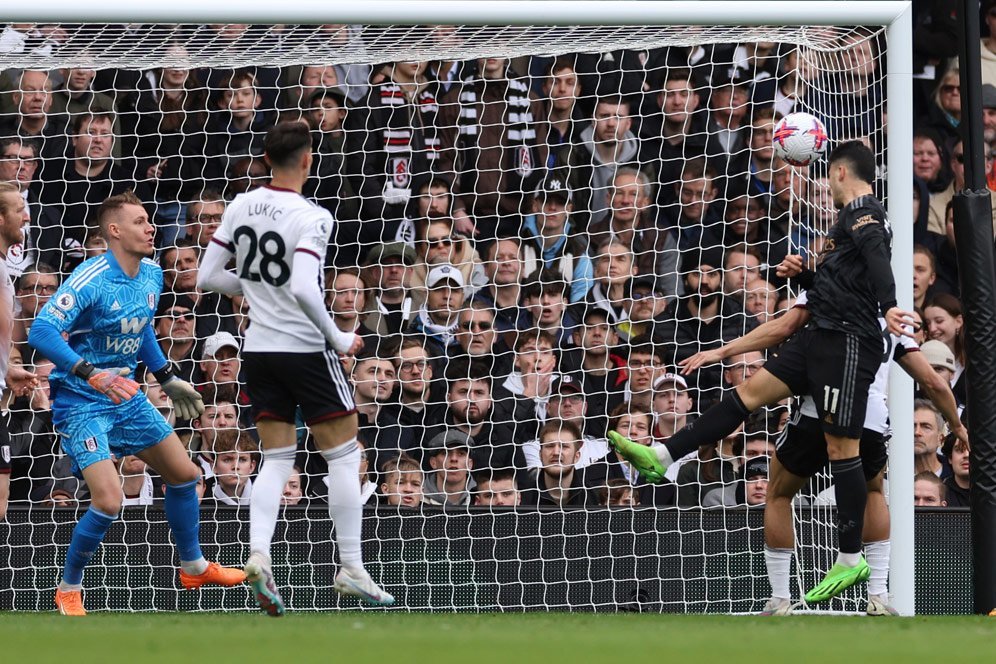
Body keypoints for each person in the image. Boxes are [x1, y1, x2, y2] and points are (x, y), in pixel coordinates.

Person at [197, 121, 393, 615]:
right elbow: (306, 287)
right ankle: (350, 566)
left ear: (265, 157)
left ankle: (259, 555)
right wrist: (341, 337)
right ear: (308, 160)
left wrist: (256, 288)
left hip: (258, 348)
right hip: (305, 349)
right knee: (345, 458)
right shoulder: (312, 216)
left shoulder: (240, 204)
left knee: (277, 460)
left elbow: (207, 276)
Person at [27, 191, 242, 617]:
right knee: (107, 501)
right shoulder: (89, 277)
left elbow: (142, 330)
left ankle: (193, 566)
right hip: (84, 401)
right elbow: (41, 331)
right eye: (141, 221)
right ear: (114, 231)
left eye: (150, 220)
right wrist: (93, 373)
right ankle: (69, 588)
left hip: (127, 396)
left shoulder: (151, 273)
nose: (151, 228)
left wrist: (166, 376)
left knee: (185, 474)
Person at [942, 435, 970, 508]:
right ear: (950, 458)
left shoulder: (992, 492)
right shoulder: (939, 492)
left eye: (971, 449)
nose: (966, 455)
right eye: (959, 450)